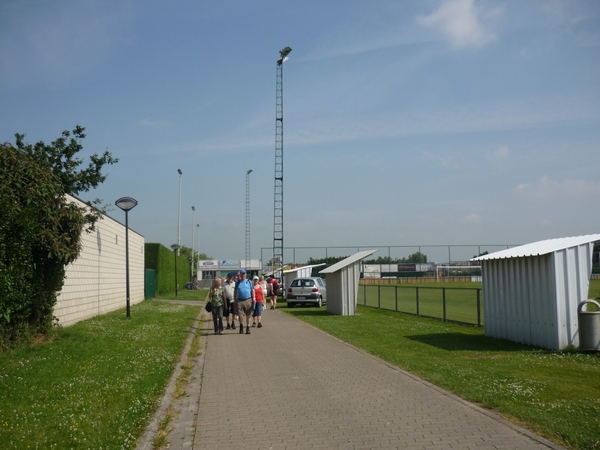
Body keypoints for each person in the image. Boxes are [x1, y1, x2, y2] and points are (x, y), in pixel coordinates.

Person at [234, 269, 255, 334]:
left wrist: (253, 297)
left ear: (246, 274)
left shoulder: (249, 282)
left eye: (244, 274)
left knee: (248, 315)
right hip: (240, 300)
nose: (243, 275)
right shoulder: (238, 282)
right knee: (240, 315)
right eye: (242, 274)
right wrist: (235, 299)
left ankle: (248, 328)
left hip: (248, 300)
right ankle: (241, 325)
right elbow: (235, 291)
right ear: (240, 275)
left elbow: (252, 290)